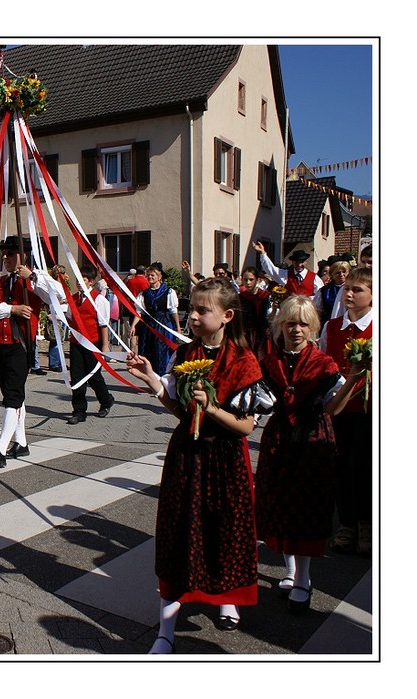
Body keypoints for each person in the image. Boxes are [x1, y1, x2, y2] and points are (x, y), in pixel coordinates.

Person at [125, 278, 274, 654]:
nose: (192, 315)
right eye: (191, 308)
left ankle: (227, 597)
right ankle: (166, 628)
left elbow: (246, 426)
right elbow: (179, 412)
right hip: (187, 456)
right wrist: (154, 383)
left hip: (224, 459)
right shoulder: (186, 353)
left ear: (226, 316)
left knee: (225, 530)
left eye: (201, 310)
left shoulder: (243, 361)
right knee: (179, 533)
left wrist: (211, 408)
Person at [254, 295, 358, 615]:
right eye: (290, 322)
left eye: (302, 323)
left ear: (312, 327)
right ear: (279, 325)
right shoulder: (268, 361)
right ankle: (288, 571)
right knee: (280, 506)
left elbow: (332, 408)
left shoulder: (324, 364)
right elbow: (262, 404)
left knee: (307, 512)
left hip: (312, 443)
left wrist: (352, 379)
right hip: (279, 443)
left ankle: (304, 578)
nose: (296, 329)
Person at [0, 236, 64, 466]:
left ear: (23, 255)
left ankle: (0, 448)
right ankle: (22, 442)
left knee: (13, 395)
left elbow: (58, 295)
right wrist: (13, 309)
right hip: (0, 345)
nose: (5, 258)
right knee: (12, 394)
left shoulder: (36, 279)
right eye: (4, 254)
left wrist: (33, 277)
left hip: (21, 345)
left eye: (11, 253)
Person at [319, 266, 373, 556]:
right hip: (340, 407)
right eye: (347, 288)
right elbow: (326, 365)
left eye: (358, 289)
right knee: (340, 466)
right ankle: (347, 523)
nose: (349, 293)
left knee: (363, 466)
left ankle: (366, 522)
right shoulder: (332, 326)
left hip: (369, 410)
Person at [66, 265, 114, 424]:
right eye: (78, 280)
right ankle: (79, 411)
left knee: (94, 376)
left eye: (83, 280)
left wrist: (105, 346)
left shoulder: (99, 299)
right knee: (77, 377)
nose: (79, 283)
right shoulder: (73, 298)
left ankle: (106, 400)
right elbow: (69, 319)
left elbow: (103, 324)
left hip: (93, 342)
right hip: (76, 343)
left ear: (91, 282)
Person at [130, 262, 181, 376]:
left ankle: (163, 379)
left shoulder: (169, 292)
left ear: (159, 277)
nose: (150, 277)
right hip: (148, 327)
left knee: (162, 352)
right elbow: (139, 311)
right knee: (148, 351)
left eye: (152, 275)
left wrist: (178, 328)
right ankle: (151, 379)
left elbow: (173, 311)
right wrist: (133, 325)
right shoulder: (144, 294)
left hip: (163, 325)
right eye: (148, 275)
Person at [253, 241, 324, 297]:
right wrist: (263, 253)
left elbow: (319, 297)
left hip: (306, 312)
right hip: (290, 312)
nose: (299, 265)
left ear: (306, 262)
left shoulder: (314, 278)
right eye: (296, 262)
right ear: (292, 262)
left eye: (302, 262)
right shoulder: (286, 275)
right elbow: (271, 270)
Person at [238, 266, 271, 358]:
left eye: (251, 279)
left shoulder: (265, 296)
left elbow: (268, 315)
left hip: (261, 332)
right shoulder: (241, 297)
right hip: (246, 332)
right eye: (245, 280)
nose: (248, 283)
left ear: (257, 280)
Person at [314, 260, 349, 326]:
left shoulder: (353, 289)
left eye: (344, 272)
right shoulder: (324, 290)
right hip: (329, 323)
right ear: (331, 275)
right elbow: (317, 310)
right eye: (338, 273)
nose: (341, 275)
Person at [122, 264, 150, 345]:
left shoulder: (130, 281)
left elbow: (124, 293)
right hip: (142, 310)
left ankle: (132, 350)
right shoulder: (146, 282)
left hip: (130, 308)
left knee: (131, 332)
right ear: (144, 272)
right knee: (141, 332)